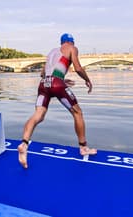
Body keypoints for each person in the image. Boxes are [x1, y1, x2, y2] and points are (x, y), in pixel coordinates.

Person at [18, 33, 97, 169]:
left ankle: (24, 144)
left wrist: (61, 79)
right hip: (56, 84)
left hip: (44, 84)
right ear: (71, 42)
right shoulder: (72, 48)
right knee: (77, 113)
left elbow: (43, 74)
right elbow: (78, 68)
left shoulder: (51, 53)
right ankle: (83, 148)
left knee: (38, 115)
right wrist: (87, 80)